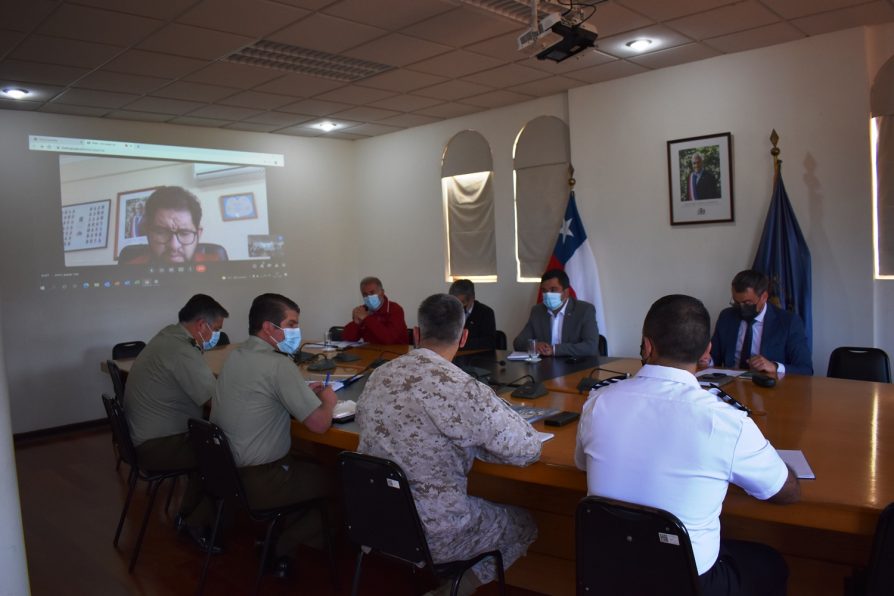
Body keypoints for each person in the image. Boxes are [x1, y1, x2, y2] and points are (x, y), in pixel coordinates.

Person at [575, 294, 800, 596]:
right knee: (770, 563)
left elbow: (581, 464)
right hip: (688, 583)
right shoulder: (725, 420)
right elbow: (785, 492)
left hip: (608, 573)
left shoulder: (598, 402)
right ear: (706, 351)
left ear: (647, 345)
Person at [357, 294, 541, 596]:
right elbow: (527, 450)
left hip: (376, 520)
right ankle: (452, 591)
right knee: (523, 524)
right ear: (464, 336)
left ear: (416, 334)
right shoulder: (464, 389)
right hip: (435, 533)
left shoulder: (379, 375)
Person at [210, 293, 337, 576]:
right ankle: (279, 545)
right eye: (291, 324)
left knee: (307, 463)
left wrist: (298, 392)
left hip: (225, 473)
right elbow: (318, 424)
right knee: (340, 481)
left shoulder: (236, 356)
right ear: (269, 327)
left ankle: (285, 533)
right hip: (260, 480)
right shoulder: (279, 365)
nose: (296, 331)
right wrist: (328, 400)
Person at [123, 293, 228, 548]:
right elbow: (214, 400)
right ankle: (195, 521)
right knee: (226, 455)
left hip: (144, 438)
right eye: (215, 329)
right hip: (158, 445)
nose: (216, 335)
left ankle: (188, 512)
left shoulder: (167, 337)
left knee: (212, 443)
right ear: (201, 325)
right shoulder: (181, 350)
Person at [706, 269, 813, 375]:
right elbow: (715, 358)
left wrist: (774, 367)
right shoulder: (727, 317)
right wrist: (706, 360)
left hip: (769, 387)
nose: (741, 308)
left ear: (764, 297)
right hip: (730, 384)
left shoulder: (788, 322)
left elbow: (805, 369)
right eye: (736, 302)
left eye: (747, 303)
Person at [123, 186, 222, 265]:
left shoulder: (218, 267)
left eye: (184, 233)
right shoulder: (129, 271)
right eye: (161, 233)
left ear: (198, 234)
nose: (174, 246)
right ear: (147, 232)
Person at [512, 269, 599, 357]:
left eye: (553, 290)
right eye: (544, 291)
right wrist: (535, 345)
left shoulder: (585, 310)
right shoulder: (537, 311)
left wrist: (554, 350)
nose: (547, 294)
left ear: (565, 292)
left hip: (578, 365)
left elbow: (591, 346)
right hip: (546, 366)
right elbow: (518, 342)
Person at [342, 276, 408, 344]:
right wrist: (356, 323)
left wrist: (366, 318)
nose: (368, 297)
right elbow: (347, 339)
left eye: (372, 293)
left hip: (396, 352)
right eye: (365, 294)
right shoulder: (363, 310)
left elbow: (389, 339)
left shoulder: (395, 309)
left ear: (382, 292)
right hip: (371, 352)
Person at [448, 279, 497, 350]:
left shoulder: (485, 312)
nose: (458, 306)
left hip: (477, 357)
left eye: (462, 302)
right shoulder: (448, 311)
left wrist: (460, 344)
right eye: (455, 302)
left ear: (472, 298)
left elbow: (489, 342)